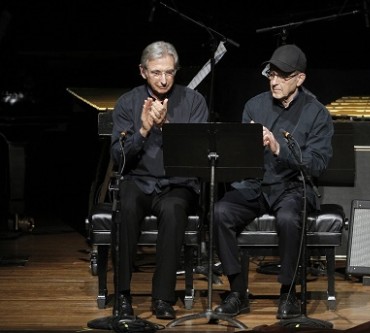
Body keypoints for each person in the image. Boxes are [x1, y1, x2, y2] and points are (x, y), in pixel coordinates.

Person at [213, 44, 334, 319]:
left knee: (288, 219)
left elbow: (318, 163)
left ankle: (289, 294)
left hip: (292, 187)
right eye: (271, 74)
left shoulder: (317, 113)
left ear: (299, 79)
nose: (274, 80)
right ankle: (237, 292)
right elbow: (241, 157)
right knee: (221, 211)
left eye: (282, 76)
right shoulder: (254, 105)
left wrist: (280, 149)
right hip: (255, 185)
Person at [110, 41, 209, 320]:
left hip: (177, 183)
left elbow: (198, 155)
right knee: (126, 207)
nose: (164, 79)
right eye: (156, 72)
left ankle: (163, 298)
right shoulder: (128, 102)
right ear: (143, 72)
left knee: (174, 211)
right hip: (138, 180)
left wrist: (166, 128)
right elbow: (119, 156)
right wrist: (142, 130)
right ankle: (123, 295)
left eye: (169, 72)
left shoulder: (193, 102)